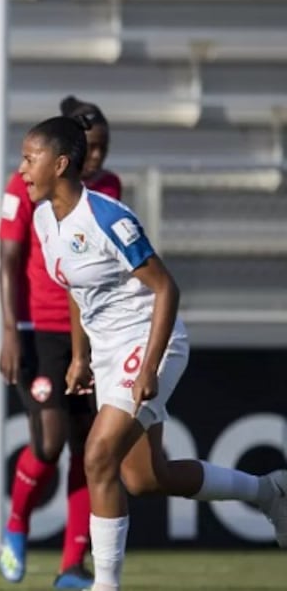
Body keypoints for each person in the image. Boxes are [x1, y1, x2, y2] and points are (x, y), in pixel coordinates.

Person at [19, 115, 287, 591]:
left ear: (60, 164)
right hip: (107, 352)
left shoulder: (108, 217)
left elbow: (167, 289)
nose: (21, 170)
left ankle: (104, 585)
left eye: (29, 158)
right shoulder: (43, 218)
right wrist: (81, 357)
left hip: (149, 342)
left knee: (97, 456)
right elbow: (76, 292)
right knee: (144, 477)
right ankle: (269, 491)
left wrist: (146, 369)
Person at [0, 96, 121, 589]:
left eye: (105, 148)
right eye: (91, 148)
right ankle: (16, 524)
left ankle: (72, 564)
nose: (98, 158)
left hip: (92, 330)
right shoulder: (26, 186)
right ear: (69, 152)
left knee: (88, 448)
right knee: (47, 445)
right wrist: (9, 331)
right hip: (37, 329)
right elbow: (8, 260)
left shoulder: (109, 188)